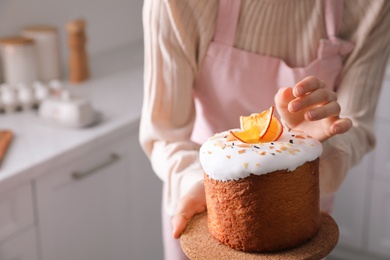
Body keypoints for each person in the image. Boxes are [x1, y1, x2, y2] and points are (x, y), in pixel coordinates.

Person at [140, 0, 390, 259]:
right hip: (201, 201)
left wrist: (314, 149)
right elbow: (164, 135)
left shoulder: (371, 6)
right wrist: (202, 183)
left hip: (298, 209)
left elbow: (356, 126)